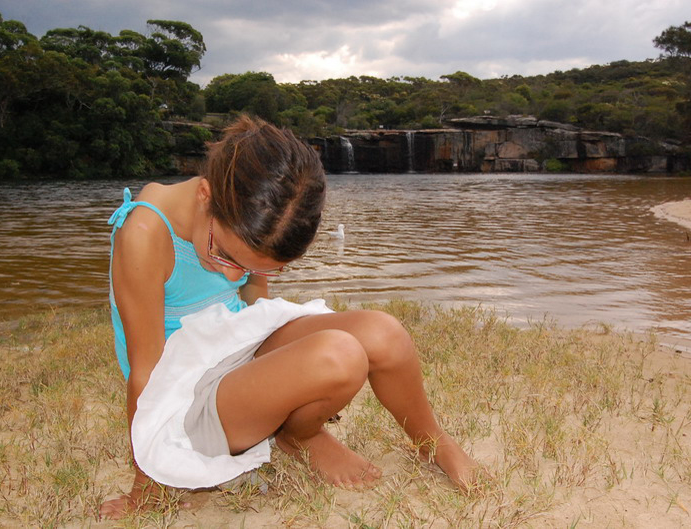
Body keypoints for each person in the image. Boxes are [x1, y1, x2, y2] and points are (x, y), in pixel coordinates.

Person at [99, 115, 478, 520]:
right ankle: (299, 435)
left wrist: (278, 377)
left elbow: (253, 310)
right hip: (186, 393)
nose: (231, 274)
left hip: (230, 351)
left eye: (251, 266)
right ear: (205, 195)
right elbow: (146, 373)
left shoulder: (255, 208)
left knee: (383, 332)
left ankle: (432, 443)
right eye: (224, 255)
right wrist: (148, 483)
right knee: (339, 355)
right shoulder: (145, 233)